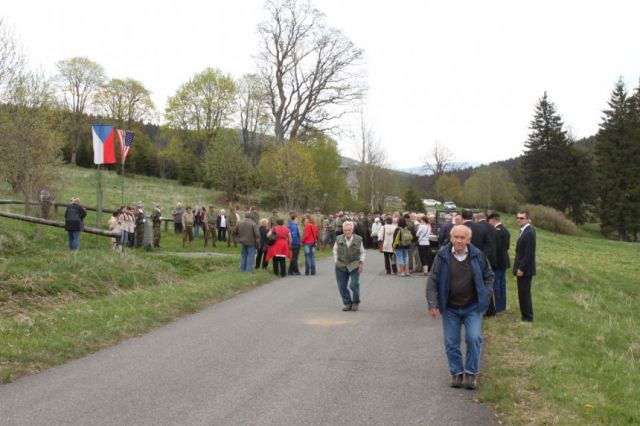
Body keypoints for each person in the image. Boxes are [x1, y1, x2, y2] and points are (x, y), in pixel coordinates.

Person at [426, 225, 495, 390]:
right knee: (451, 342)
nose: (458, 240)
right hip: (450, 308)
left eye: (462, 238)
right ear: (451, 238)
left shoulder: (478, 255)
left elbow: (489, 276)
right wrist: (433, 303)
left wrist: (485, 295)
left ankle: (471, 372)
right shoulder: (442, 256)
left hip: (473, 307)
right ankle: (457, 372)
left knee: (474, 338)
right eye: (456, 237)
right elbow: (433, 280)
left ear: (468, 240)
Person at [333, 221, 365, 311]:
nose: (347, 232)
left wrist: (361, 263)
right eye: (345, 230)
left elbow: (362, 252)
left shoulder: (358, 239)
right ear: (343, 230)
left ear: (352, 230)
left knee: (353, 285)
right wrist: (336, 262)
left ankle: (355, 302)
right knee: (342, 286)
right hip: (341, 265)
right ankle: (347, 303)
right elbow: (335, 251)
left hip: (354, 265)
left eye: (349, 230)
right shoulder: (338, 239)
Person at [513, 210, 536, 322]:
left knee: (524, 293)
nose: (519, 220)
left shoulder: (529, 232)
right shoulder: (524, 230)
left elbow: (529, 254)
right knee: (522, 293)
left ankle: (528, 318)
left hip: (525, 270)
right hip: (522, 268)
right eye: (517, 217)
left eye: (521, 218)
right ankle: (524, 316)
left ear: (527, 219)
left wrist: (521, 268)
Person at [488, 212, 510, 313]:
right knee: (502, 283)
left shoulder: (496, 231)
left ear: (493, 220)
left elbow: (495, 248)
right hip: (504, 260)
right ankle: (503, 304)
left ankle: (498, 306)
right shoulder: (505, 230)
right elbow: (507, 247)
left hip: (498, 261)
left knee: (496, 283)